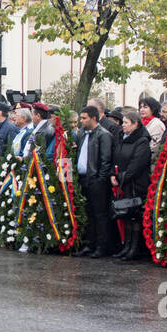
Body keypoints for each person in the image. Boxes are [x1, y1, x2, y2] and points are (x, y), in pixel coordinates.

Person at [74, 105, 115, 258]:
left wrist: (100, 180)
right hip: (84, 179)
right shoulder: (83, 133)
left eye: (84, 118)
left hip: (96, 181)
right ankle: (89, 244)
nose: (81, 121)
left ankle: (101, 246)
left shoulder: (103, 135)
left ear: (93, 118)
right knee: (88, 213)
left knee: (100, 215)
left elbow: (106, 160)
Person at [111, 110, 151, 260]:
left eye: (126, 123)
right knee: (125, 214)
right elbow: (115, 157)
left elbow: (137, 165)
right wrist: (113, 175)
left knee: (134, 215)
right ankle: (126, 245)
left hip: (135, 184)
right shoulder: (122, 138)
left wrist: (121, 176)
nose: (123, 126)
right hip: (122, 183)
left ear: (135, 124)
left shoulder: (142, 141)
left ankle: (134, 247)